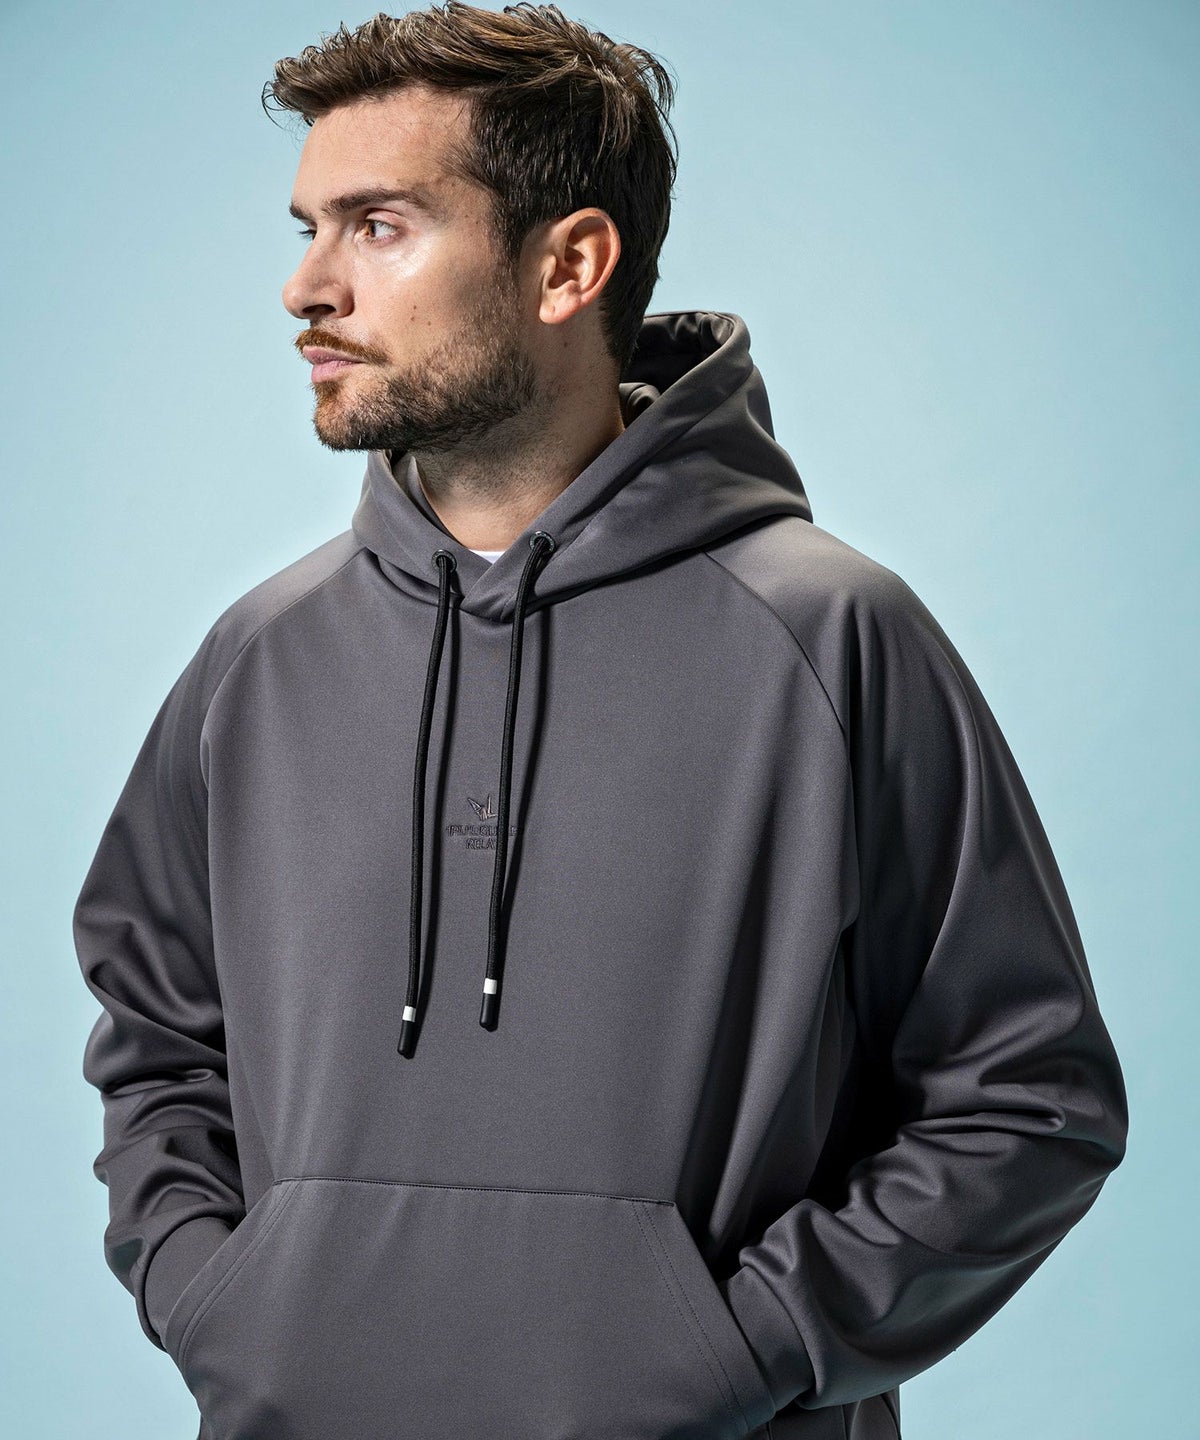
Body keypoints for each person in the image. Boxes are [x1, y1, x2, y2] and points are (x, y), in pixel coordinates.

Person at [72, 5, 1128, 1438]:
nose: (306, 286)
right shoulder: (259, 656)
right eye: (309, 227)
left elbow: (1027, 1095)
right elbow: (157, 1040)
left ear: (568, 265)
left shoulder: (832, 639)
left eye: (378, 227)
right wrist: (218, 1304)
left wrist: (747, 1347)